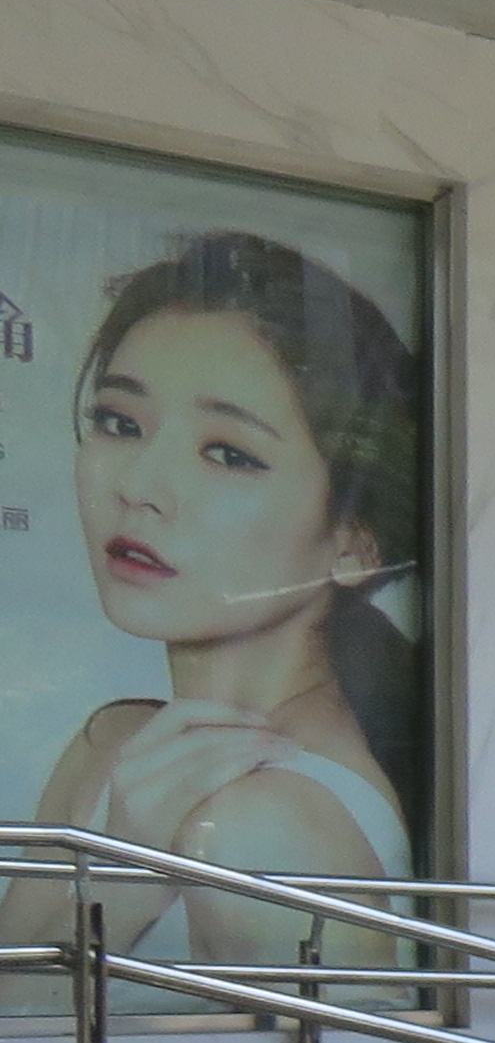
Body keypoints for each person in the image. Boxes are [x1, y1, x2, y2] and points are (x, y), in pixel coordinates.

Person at [1, 233, 422, 1001]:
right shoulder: (119, 746)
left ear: (354, 541)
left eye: (228, 453)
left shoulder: (265, 823)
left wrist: (122, 886)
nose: (139, 485)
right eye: (120, 422)